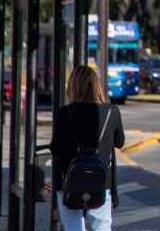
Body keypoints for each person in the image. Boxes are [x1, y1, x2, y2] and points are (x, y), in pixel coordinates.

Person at [50, 65, 125, 231]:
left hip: (68, 180)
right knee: (102, 226)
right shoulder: (112, 112)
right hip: (100, 180)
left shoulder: (65, 113)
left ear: (73, 86)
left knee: (73, 226)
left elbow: (54, 148)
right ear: (96, 85)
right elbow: (120, 142)